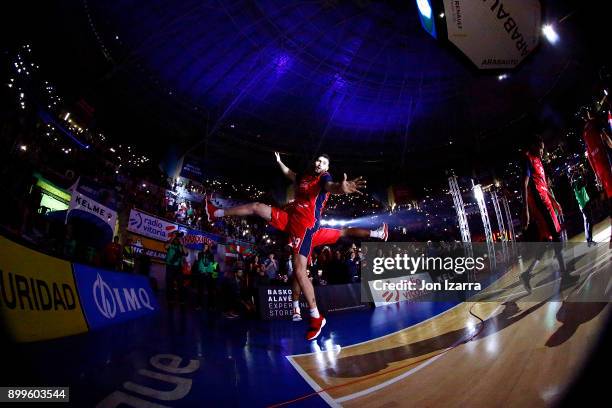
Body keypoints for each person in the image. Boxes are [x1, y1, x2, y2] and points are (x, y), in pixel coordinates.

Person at [206, 152, 388, 340]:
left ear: (326, 168)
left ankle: (316, 317)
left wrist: (341, 188)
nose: (319, 163)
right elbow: (290, 174)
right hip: (291, 221)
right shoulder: (304, 176)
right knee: (257, 207)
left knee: (300, 272)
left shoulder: (324, 178)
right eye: (318, 159)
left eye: (324, 162)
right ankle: (216, 212)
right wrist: (279, 162)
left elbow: (331, 187)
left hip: (306, 228)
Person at [519, 137, 573, 292]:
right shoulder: (528, 158)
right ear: (534, 145)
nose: (542, 151)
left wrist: (554, 200)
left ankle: (527, 275)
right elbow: (524, 183)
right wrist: (526, 209)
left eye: (543, 148)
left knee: (547, 239)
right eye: (540, 147)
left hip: (546, 201)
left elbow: (544, 185)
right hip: (538, 203)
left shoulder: (539, 161)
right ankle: (564, 275)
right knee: (556, 236)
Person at [569, 167, 595, 245]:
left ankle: (588, 239)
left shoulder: (574, 183)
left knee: (586, 221)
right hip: (585, 203)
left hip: (582, 204)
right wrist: (582, 173)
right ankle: (589, 239)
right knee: (590, 221)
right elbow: (585, 183)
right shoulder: (578, 182)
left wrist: (579, 174)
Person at [165, 232, 186, 304]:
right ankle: (170, 299)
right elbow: (166, 247)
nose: (177, 238)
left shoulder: (180, 245)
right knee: (169, 283)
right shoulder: (170, 243)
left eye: (177, 237)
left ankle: (181, 299)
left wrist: (182, 243)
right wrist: (172, 237)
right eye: (176, 237)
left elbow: (186, 253)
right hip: (170, 266)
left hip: (178, 267)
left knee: (180, 284)